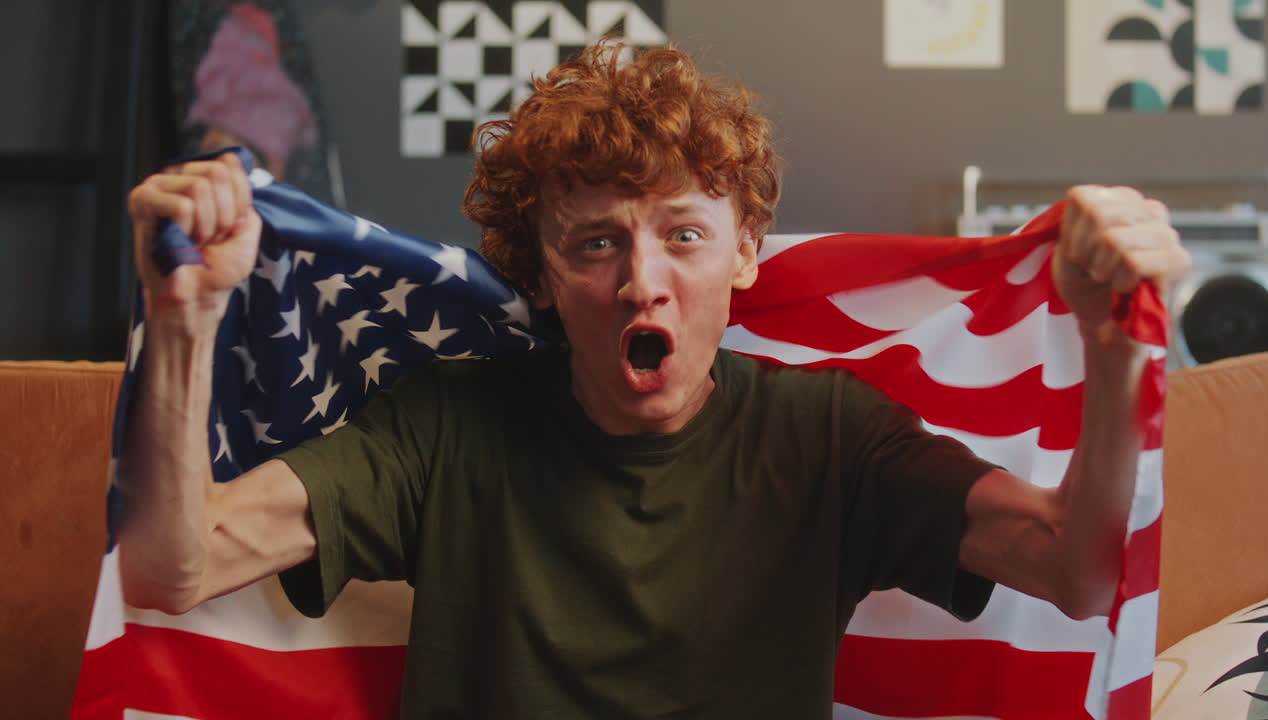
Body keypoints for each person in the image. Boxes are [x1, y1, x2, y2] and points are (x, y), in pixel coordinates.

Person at [120, 42, 1189, 718]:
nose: (642, 283)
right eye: (593, 244)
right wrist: (184, 321)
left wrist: (1111, 351)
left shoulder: (827, 439)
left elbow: (1078, 574)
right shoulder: (446, 428)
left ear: (745, 255)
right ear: (539, 273)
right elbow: (173, 568)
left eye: (682, 234)